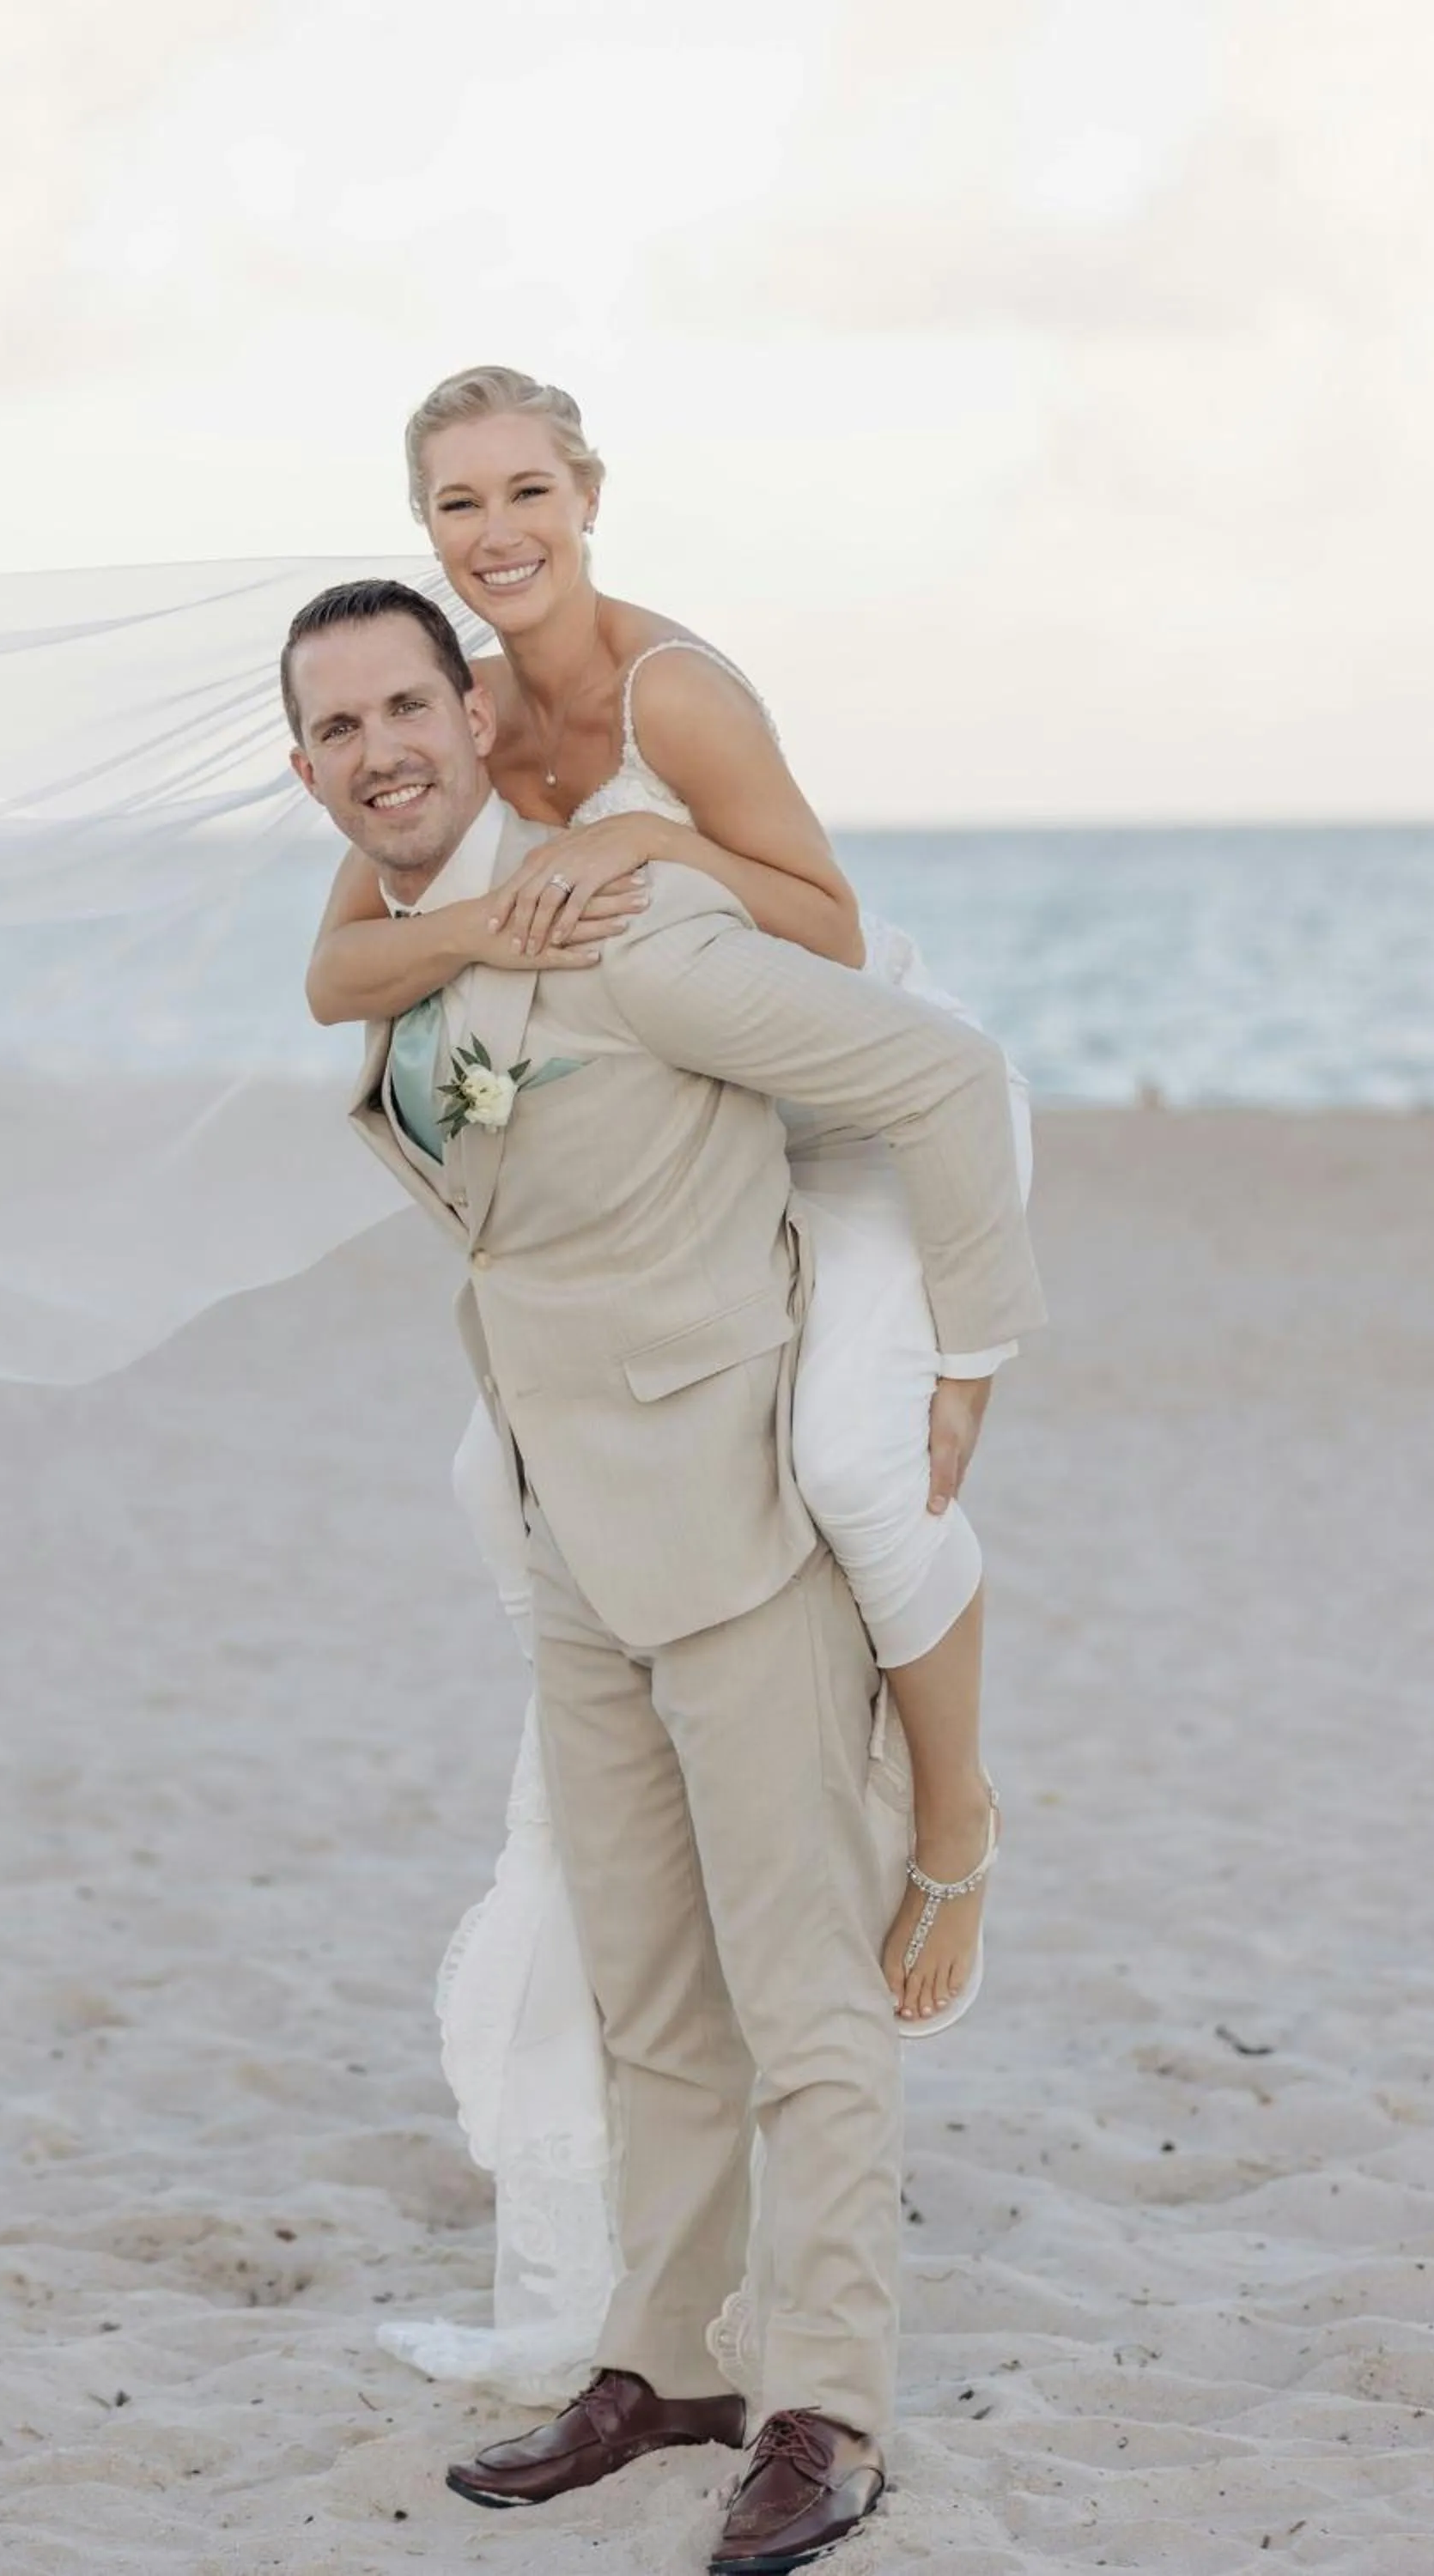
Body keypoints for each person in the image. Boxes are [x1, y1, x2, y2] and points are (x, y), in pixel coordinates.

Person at [283, 574, 1044, 2572]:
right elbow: (360, 1016)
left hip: (729, 1525)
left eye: (401, 709)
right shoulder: (397, 947)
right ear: (308, 768)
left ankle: (825, 2408)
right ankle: (670, 2360)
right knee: (644, 1997)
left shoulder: (634, 932)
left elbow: (943, 1080)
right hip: (564, 1535)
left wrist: (969, 1357)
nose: (377, 751)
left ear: (468, 711)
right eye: (334, 728)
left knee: (803, 2005)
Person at [307, 368, 1033, 2047]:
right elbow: (339, 970)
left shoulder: (674, 698)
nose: (495, 534)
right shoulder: (457, 705)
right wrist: (486, 934)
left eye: (524, 493)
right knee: (500, 1478)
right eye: (457, 506)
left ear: (588, 497)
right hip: (686, 1132)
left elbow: (834, 933)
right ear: (425, 529)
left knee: (858, 1464)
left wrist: (651, 857)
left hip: (855, 1107)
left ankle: (953, 1823)